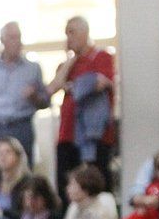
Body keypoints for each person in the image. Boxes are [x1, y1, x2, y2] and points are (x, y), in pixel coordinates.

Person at [43, 16, 115, 192]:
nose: (69, 37)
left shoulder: (101, 57)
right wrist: (70, 60)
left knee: (95, 185)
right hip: (67, 134)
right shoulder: (67, 65)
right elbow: (52, 88)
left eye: (72, 32)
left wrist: (73, 86)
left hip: (93, 135)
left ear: (85, 33)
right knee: (65, 186)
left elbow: (99, 83)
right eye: (66, 34)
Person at [0, 22, 47, 161]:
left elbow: (44, 102)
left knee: (24, 169)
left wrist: (34, 96)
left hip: (22, 127)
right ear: (3, 40)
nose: (17, 42)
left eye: (19, 37)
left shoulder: (33, 69)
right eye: (12, 37)